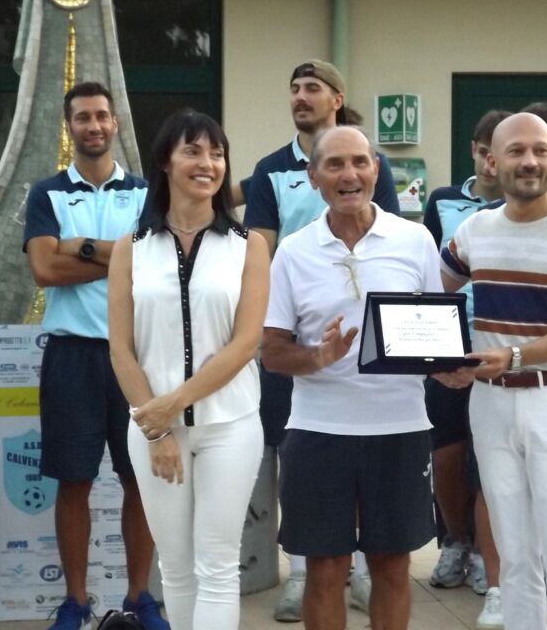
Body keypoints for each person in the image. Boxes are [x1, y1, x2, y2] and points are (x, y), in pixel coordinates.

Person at [262, 125, 439, 630]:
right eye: (335, 164)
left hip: (400, 428)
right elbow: (272, 353)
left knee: (392, 566)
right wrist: (319, 355)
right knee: (325, 570)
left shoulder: (415, 240)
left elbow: (434, 333)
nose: (349, 175)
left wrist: (447, 368)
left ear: (376, 170)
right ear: (313, 176)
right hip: (319, 431)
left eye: (360, 162)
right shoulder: (293, 251)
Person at [441, 112, 547, 630]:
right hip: (491, 403)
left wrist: (513, 357)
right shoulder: (475, 229)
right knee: (513, 558)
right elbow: (429, 297)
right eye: (516, 151)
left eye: (541, 149)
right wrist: (436, 362)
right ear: (492, 161)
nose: (531, 161)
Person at [244, 59, 400, 621]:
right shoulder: (269, 170)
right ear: (315, 175)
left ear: (337, 98)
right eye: (294, 89)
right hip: (298, 343)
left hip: (378, 375)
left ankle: (359, 572)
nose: (300, 96)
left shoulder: (376, 168)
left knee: (378, 510)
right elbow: (259, 250)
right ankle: (304, 573)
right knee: (299, 466)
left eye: (312, 88)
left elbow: (393, 249)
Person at [108, 109, 269, 630]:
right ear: (165, 162)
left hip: (230, 425)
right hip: (152, 430)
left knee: (217, 567)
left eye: (217, 154)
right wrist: (156, 429)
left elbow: (245, 344)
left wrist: (171, 406)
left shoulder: (249, 246)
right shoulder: (129, 249)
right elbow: (121, 349)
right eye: (193, 151)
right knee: (175, 569)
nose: (208, 163)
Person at [22, 82, 165, 630]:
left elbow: (155, 265)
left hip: (137, 354)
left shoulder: (146, 193)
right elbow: (44, 269)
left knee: (139, 481)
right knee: (73, 482)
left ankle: (139, 596)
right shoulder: (47, 194)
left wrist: (78, 246)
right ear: (70, 127)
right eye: (82, 117)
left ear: (115, 123)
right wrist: (123, 256)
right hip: (72, 357)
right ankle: (76, 601)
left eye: (102, 115)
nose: (94, 125)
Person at [421, 109, 509, 627]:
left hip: (500, 344)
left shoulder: (523, 205)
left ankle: (484, 554)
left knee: (490, 455)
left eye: (502, 151)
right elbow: (430, 271)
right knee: (448, 453)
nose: (493, 161)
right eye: (484, 151)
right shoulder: (442, 200)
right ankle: (455, 540)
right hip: (449, 341)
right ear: (476, 152)